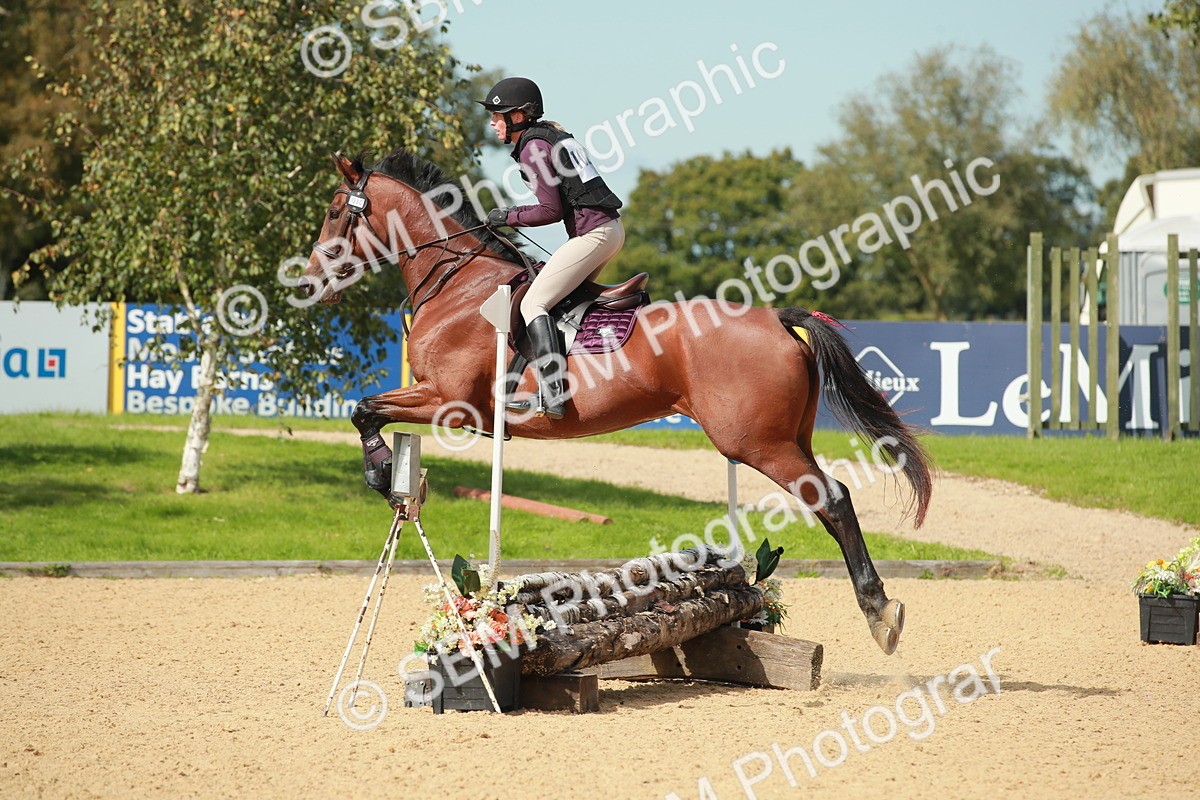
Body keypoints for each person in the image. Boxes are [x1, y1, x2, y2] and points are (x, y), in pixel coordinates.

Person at [478, 77, 625, 420]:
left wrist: (507, 216)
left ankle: (553, 394)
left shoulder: (534, 146)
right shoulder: (549, 137)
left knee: (533, 302)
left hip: (594, 234)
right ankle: (522, 384)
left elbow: (550, 210)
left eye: (498, 115)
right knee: (559, 304)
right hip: (608, 230)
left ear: (518, 116)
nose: (492, 122)